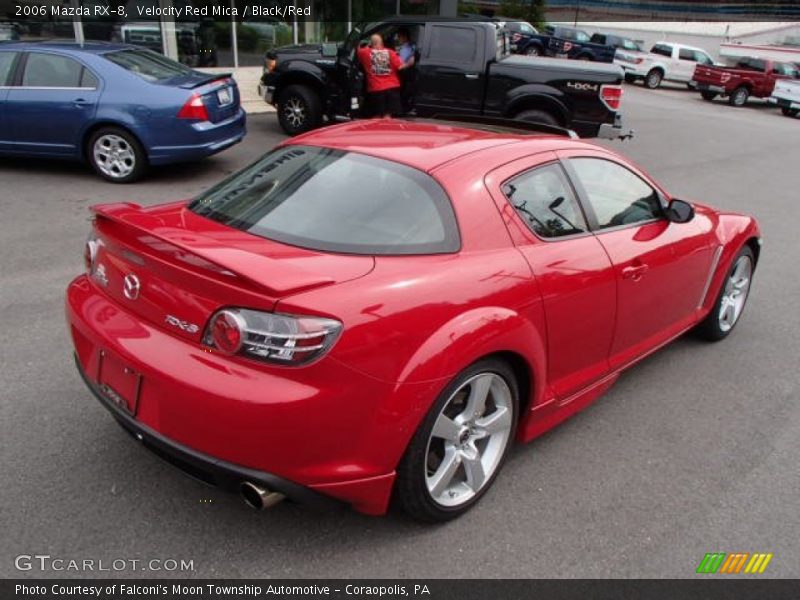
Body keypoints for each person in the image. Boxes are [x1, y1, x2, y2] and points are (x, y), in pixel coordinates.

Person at [356, 34, 408, 118]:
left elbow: (357, 49)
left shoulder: (364, 53)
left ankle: (375, 130)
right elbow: (400, 66)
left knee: (376, 116)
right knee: (388, 116)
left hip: (376, 89)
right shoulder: (391, 52)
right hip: (392, 88)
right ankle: (386, 129)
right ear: (382, 43)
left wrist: (368, 46)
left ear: (371, 43)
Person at [395, 28, 417, 113]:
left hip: (404, 76)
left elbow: (400, 64)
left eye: (399, 37)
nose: (398, 39)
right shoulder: (412, 47)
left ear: (404, 37)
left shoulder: (405, 49)